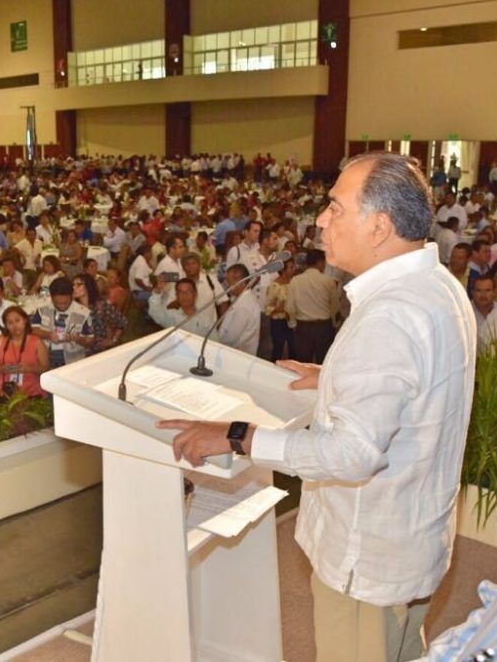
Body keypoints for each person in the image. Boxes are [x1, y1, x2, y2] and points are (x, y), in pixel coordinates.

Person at [160, 152, 476, 662]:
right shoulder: (437, 285)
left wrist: (238, 436)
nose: (321, 220)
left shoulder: (389, 316)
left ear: (380, 227)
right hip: (411, 540)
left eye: (335, 207)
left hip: (366, 556)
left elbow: (351, 454)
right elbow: (419, 382)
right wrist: (335, 378)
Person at [286, 249, 340, 365]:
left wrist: (293, 324)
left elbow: (289, 307)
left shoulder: (295, 281)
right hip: (324, 327)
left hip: (303, 326)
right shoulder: (328, 281)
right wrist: (335, 324)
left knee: (303, 364)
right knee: (323, 364)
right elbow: (335, 307)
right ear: (320, 262)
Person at [0, 306, 50, 398]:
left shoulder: (37, 342)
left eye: (17, 320)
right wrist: (1, 368)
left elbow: (46, 368)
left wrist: (29, 369)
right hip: (2, 393)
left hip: (32, 394)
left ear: (25, 320)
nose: (15, 326)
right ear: (6, 326)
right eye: (10, 323)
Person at [31, 276, 94, 367]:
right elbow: (33, 330)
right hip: (46, 360)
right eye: (56, 302)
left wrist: (77, 339)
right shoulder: (42, 309)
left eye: (65, 302)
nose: (61, 306)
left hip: (73, 363)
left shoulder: (83, 313)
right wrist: (48, 334)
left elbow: (90, 341)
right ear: (51, 297)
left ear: (72, 295)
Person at [73, 273, 126, 354]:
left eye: (78, 285)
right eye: (73, 285)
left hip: (99, 350)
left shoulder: (99, 306)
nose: (74, 288)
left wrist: (113, 340)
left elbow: (122, 322)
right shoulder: (72, 308)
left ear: (88, 286)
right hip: (78, 351)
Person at [217, 263, 261, 355]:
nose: (227, 286)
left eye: (229, 282)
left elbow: (230, 337)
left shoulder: (244, 306)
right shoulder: (243, 299)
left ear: (240, 281)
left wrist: (216, 339)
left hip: (237, 355)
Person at [265, 259, 297, 361]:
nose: (294, 269)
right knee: (278, 350)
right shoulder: (275, 286)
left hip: (293, 321)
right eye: (291, 267)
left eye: (294, 267)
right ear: (283, 270)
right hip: (279, 322)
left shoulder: (294, 283)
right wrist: (280, 309)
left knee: (293, 349)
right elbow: (268, 309)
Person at [472, 274, 496, 340]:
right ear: (472, 292)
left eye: (487, 290)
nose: (483, 295)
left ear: (494, 292)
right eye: (478, 290)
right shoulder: (466, 312)